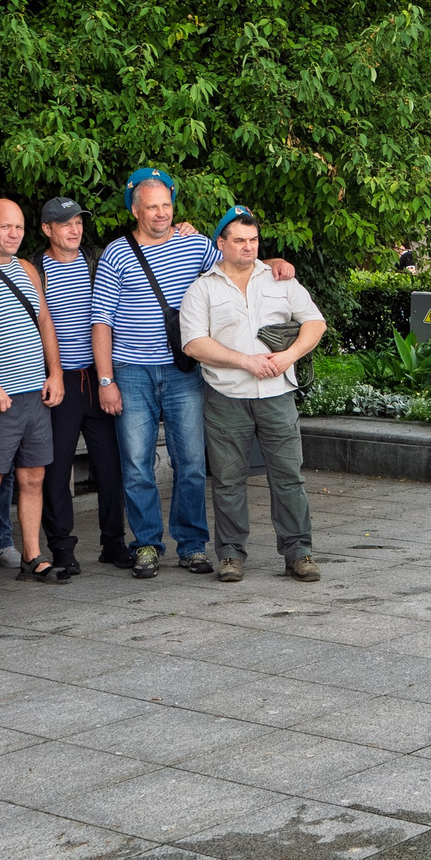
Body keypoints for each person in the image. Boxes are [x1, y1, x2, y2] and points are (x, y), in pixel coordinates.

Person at [180, 207, 326, 583]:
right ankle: (230, 555)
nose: (248, 247)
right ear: (221, 244)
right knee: (228, 480)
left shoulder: (280, 280)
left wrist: (289, 356)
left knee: (288, 476)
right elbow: (194, 343)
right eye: (240, 240)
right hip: (226, 396)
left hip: (277, 394)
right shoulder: (203, 288)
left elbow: (315, 322)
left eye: (253, 240)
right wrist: (245, 361)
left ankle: (299, 552)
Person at [94, 168, 218, 578]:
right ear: (135, 210)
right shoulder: (116, 253)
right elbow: (101, 322)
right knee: (136, 464)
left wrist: (277, 264)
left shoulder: (195, 244)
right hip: (130, 371)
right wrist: (106, 380)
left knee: (192, 463)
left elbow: (240, 265)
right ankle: (146, 544)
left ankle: (193, 545)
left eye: (166, 205)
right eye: (152, 207)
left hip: (182, 370)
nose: (161, 213)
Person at [0, 199, 66, 581]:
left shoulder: (27, 269)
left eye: (19, 227)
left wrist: (54, 372)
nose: (13, 234)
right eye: (5, 227)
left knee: (33, 477)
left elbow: (44, 321)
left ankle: (32, 556)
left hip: (34, 395)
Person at [37, 197, 121, 577]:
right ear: (47, 229)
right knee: (56, 469)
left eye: (79, 222)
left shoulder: (98, 262)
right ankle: (62, 548)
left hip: (100, 376)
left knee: (110, 464)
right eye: (65, 223)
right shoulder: (33, 270)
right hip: (60, 381)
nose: (75, 229)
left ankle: (114, 543)